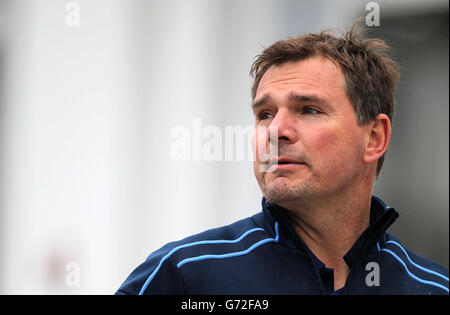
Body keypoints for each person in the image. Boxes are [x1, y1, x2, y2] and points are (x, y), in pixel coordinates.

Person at [116, 23, 449, 295]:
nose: (276, 131)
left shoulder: (432, 287)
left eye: (309, 110)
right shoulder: (185, 276)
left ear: (374, 138)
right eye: (264, 114)